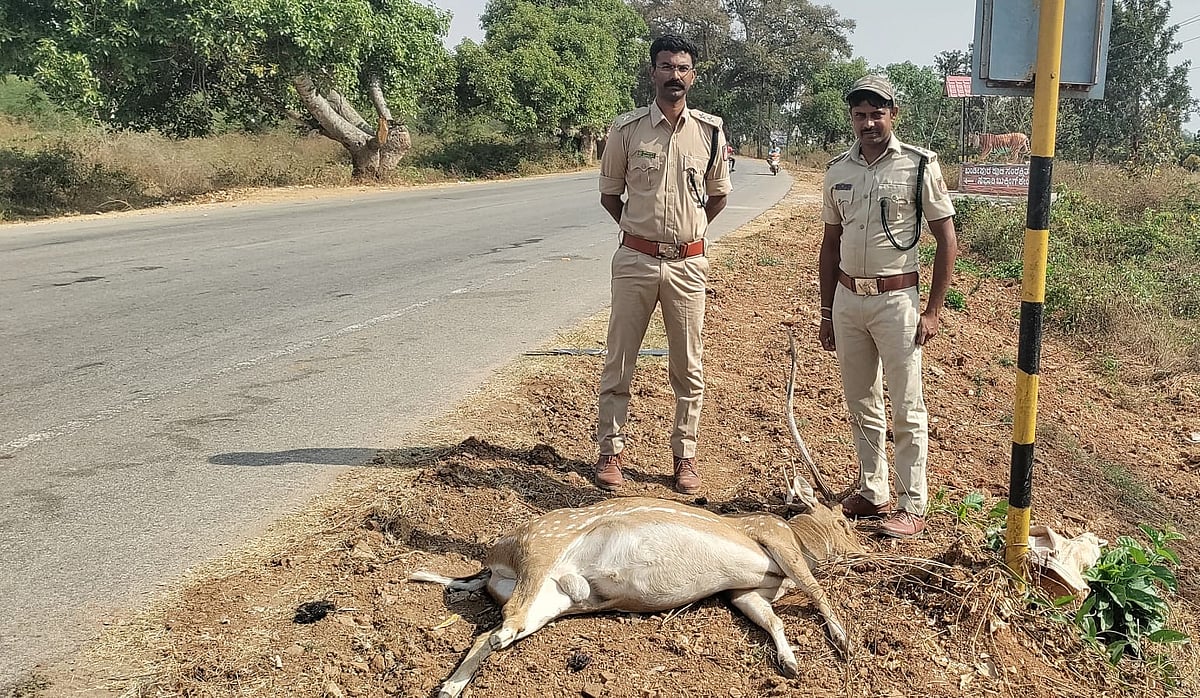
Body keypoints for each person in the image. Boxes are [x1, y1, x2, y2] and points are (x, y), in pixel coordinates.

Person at [817, 74, 957, 538]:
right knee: (860, 400)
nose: (869, 122)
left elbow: (946, 240)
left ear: (893, 115)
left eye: (877, 113)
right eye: (860, 115)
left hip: (898, 301)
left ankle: (912, 502)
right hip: (847, 299)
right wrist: (825, 312)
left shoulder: (919, 166)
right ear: (852, 119)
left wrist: (933, 311)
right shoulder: (838, 170)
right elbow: (830, 243)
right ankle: (873, 489)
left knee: (906, 405)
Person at [595, 34, 732, 494]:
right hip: (635, 260)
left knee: (688, 366)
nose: (675, 75)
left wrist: (687, 233)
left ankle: (684, 458)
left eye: (683, 68)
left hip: (688, 266)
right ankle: (610, 453)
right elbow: (610, 194)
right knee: (620, 359)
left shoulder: (710, 132)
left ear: (693, 75)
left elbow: (718, 197)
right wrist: (642, 234)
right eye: (666, 66)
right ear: (652, 72)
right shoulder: (626, 130)